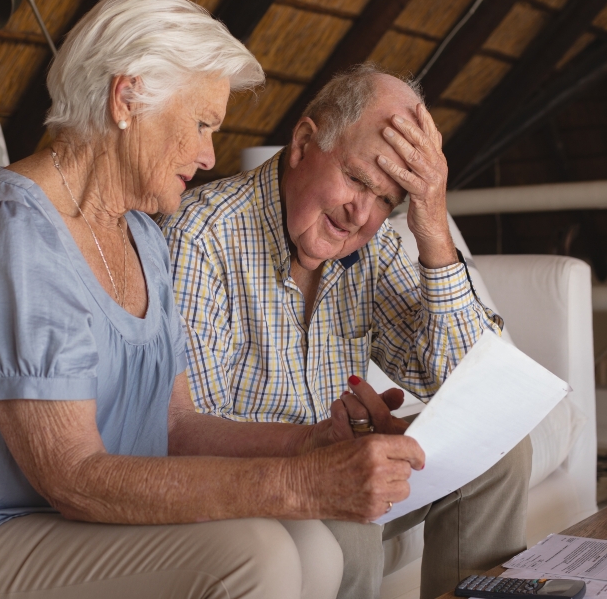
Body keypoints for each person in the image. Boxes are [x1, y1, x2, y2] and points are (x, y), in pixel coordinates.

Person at [0, 0, 427, 599]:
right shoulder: (11, 233)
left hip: (63, 526)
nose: (208, 154)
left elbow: (175, 429)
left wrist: (310, 445)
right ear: (127, 99)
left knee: (313, 547)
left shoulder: (141, 235)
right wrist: (300, 485)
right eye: (200, 124)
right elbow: (73, 476)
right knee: (258, 554)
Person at [160, 63, 533, 599]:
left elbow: (476, 385)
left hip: (337, 462)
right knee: (348, 532)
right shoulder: (201, 237)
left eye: (387, 200)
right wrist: (322, 452)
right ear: (304, 142)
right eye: (357, 179)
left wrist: (431, 226)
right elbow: (188, 437)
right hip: (259, 486)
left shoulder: (373, 247)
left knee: (500, 449)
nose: (361, 213)